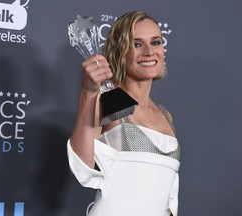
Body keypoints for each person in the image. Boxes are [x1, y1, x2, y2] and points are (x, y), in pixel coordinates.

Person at [67, 10, 181, 216]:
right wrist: (88, 93)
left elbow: (168, 196)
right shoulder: (110, 100)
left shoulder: (165, 115)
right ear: (120, 51)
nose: (149, 51)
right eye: (137, 44)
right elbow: (80, 169)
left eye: (156, 42)